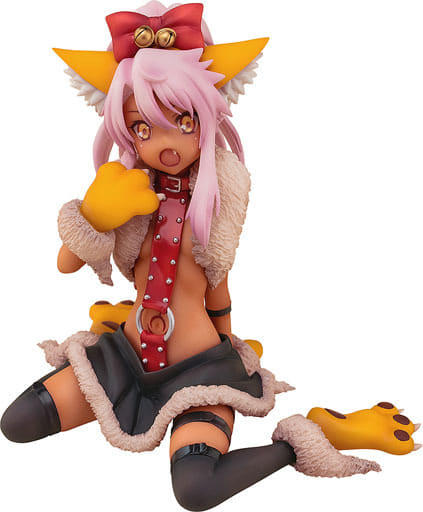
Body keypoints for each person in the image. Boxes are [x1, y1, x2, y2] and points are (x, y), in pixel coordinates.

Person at [1, 2, 419, 510]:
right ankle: (115, 322)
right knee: (17, 423)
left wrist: (230, 348)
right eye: (142, 127)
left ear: (208, 114)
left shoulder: (219, 200)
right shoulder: (124, 189)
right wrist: (93, 214)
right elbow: (67, 264)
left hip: (198, 371)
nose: (165, 144)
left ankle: (308, 438)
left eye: (183, 121)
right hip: (125, 357)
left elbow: (216, 285)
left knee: (195, 490)